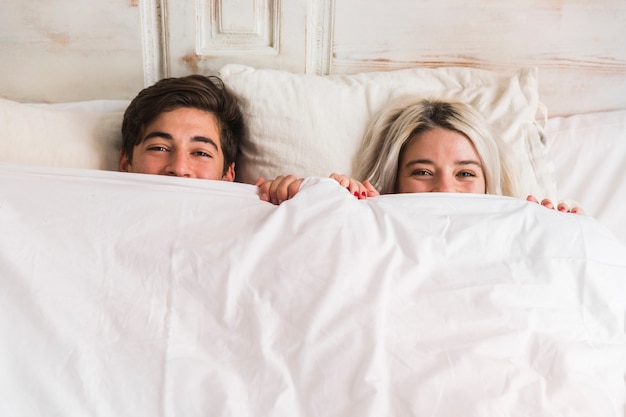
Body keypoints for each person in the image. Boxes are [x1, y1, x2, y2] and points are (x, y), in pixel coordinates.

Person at [260, 97, 581, 213]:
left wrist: (557, 233)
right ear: (394, 180)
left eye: (466, 173)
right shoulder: (362, 216)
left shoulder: (519, 228)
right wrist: (318, 200)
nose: (445, 189)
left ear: (488, 182)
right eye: (423, 172)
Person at [119, 74, 244, 182]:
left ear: (227, 175)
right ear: (125, 163)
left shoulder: (255, 209)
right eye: (159, 148)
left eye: (201, 153)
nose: (179, 169)